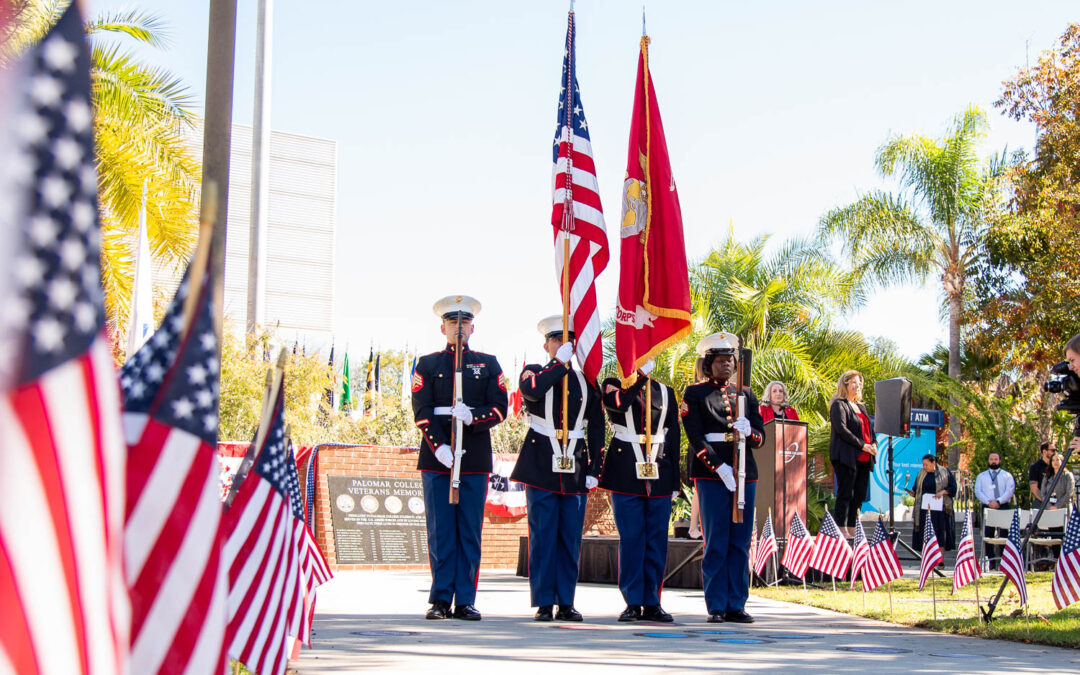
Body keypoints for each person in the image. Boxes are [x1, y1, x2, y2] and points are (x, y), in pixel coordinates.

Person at [412, 296, 508, 621]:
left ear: (472, 327)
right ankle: (440, 599)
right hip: (437, 457)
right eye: (453, 322)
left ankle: (465, 599)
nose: (459, 327)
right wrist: (439, 445)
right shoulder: (426, 364)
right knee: (440, 531)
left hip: (474, 458)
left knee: (469, 531)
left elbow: (499, 409)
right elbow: (422, 410)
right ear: (442, 328)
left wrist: (473, 417)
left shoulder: (489, 363)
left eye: (464, 322)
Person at [511, 316, 605, 622]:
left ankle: (566, 600)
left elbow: (596, 428)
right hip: (540, 464)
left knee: (569, 537)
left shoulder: (586, 381)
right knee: (542, 536)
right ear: (546, 345)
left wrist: (595, 466)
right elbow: (533, 391)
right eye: (558, 341)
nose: (565, 346)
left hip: (575, 465)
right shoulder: (535, 371)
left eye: (570, 343)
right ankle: (543, 602)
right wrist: (558, 364)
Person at [681, 332, 765, 624]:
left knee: (740, 541)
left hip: (744, 473)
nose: (726, 366)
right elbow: (694, 436)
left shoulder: (747, 395)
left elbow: (760, 437)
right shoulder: (695, 394)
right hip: (713, 473)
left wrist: (749, 431)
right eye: (720, 361)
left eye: (730, 360)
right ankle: (716, 604)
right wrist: (718, 466)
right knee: (716, 540)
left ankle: (736, 603)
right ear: (709, 363)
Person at [599, 359, 681, 623]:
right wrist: (640, 378)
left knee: (657, 540)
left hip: (659, 471)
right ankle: (633, 601)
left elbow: (674, 435)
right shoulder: (613, 385)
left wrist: (676, 481)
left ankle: (653, 601)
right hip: (625, 471)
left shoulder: (666, 392)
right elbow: (619, 404)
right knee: (632, 539)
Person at [828, 370, 876, 538]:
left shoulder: (861, 407)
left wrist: (874, 445)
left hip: (865, 458)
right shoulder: (839, 405)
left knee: (859, 494)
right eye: (854, 382)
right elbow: (842, 430)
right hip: (847, 457)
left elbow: (871, 430)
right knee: (846, 493)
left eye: (860, 383)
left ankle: (853, 526)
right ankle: (841, 528)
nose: (858, 386)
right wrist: (863, 445)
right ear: (845, 384)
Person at [973, 452, 1015, 568]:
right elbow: (978, 491)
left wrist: (999, 501)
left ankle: (1003, 560)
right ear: (988, 461)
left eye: (995, 459)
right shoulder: (981, 476)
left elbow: (1009, 491)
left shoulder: (1007, 476)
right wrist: (989, 502)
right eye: (991, 459)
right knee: (988, 533)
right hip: (987, 507)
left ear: (1000, 461)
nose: (993, 461)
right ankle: (991, 560)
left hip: (1003, 506)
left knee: (1003, 534)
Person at [910, 454, 957, 551]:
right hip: (924, 510)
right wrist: (913, 493)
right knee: (925, 534)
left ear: (933, 463)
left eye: (927, 465)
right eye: (923, 465)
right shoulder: (921, 473)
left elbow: (953, 488)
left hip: (940, 510)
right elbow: (916, 489)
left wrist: (943, 492)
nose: (925, 467)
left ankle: (940, 561)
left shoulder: (944, 472)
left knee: (940, 535)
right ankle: (927, 561)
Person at [687, 357, 707, 540]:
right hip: (700, 446)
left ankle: (698, 527)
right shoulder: (696, 391)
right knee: (699, 489)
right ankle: (693, 527)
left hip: (708, 446)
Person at [1028, 441, 1056, 510]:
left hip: (1056, 501)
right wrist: (1045, 500)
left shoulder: (1056, 465)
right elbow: (1034, 488)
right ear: (1044, 451)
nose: (1054, 453)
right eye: (1052, 450)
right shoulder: (1035, 467)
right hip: (1041, 501)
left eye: (1055, 450)